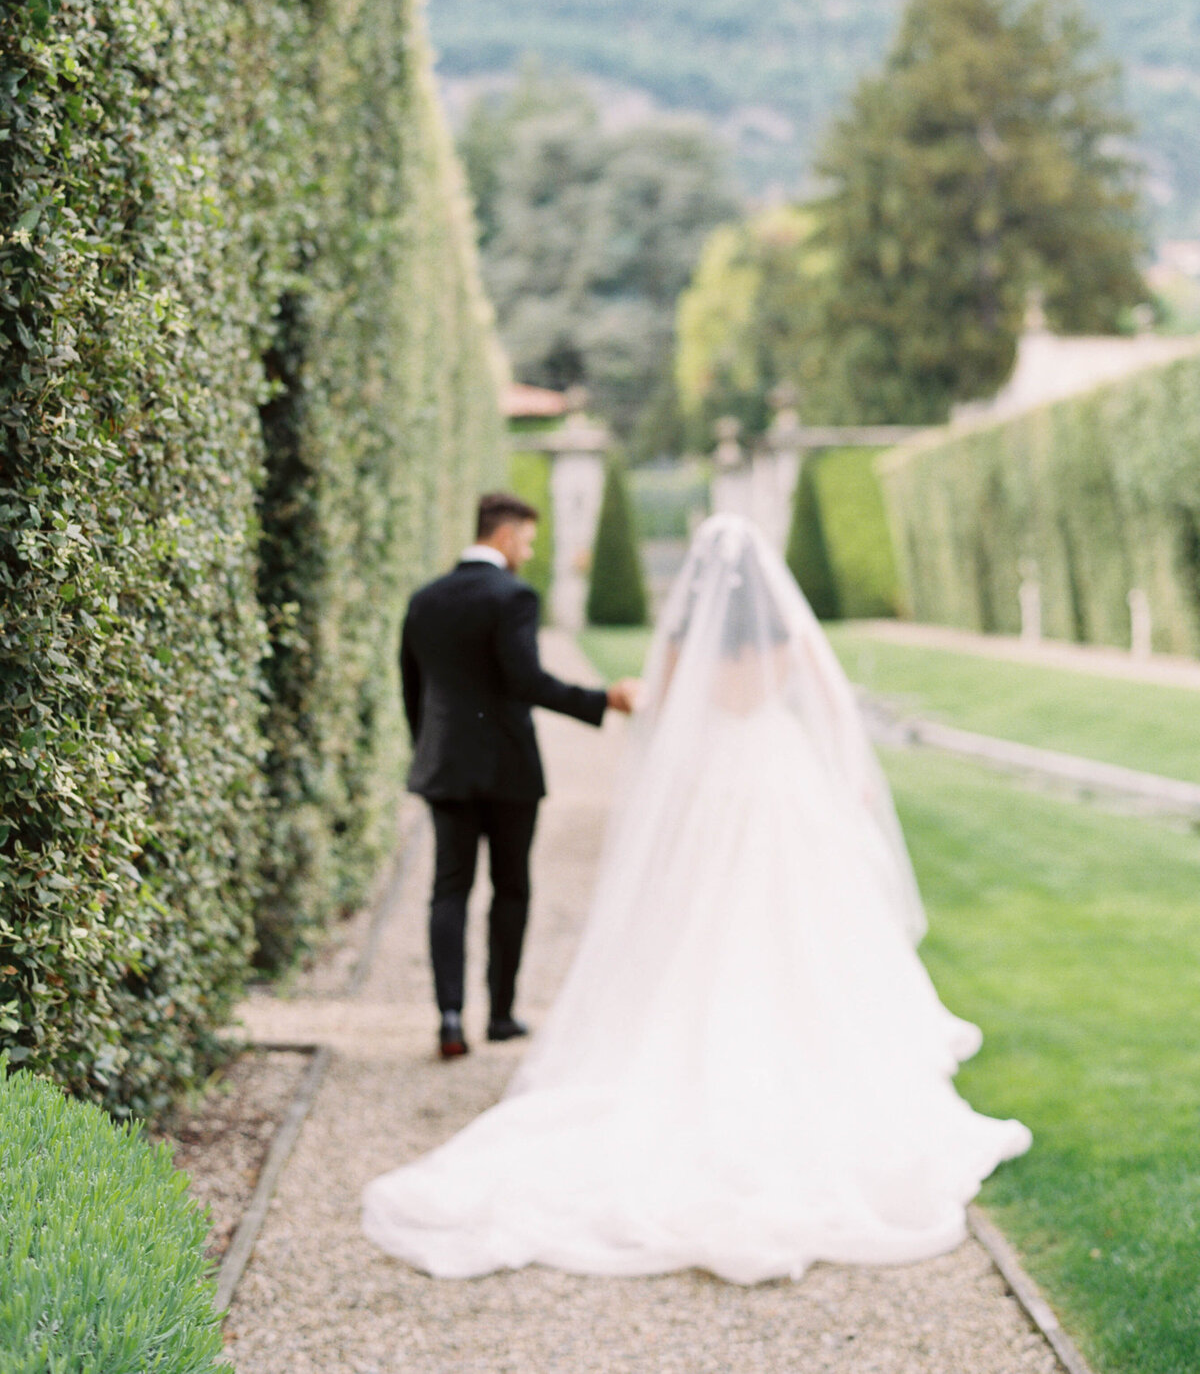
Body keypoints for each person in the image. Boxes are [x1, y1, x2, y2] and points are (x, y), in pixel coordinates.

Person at [366, 513, 1030, 1281]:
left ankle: (482, 1012)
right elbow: (833, 708)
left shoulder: (680, 637)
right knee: (800, 924)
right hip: (778, 776)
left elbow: (666, 718)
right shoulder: (787, 632)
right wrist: (845, 779)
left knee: (692, 922)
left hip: (709, 780)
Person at [400, 491, 639, 1059]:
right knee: (511, 888)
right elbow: (526, 680)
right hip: (508, 768)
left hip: (447, 767)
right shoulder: (513, 596)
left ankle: (451, 1019)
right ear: (506, 536)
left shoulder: (424, 599)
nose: (527, 553)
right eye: (527, 541)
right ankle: (501, 1014)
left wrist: (428, 751)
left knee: (449, 889)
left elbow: (413, 690)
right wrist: (601, 699)